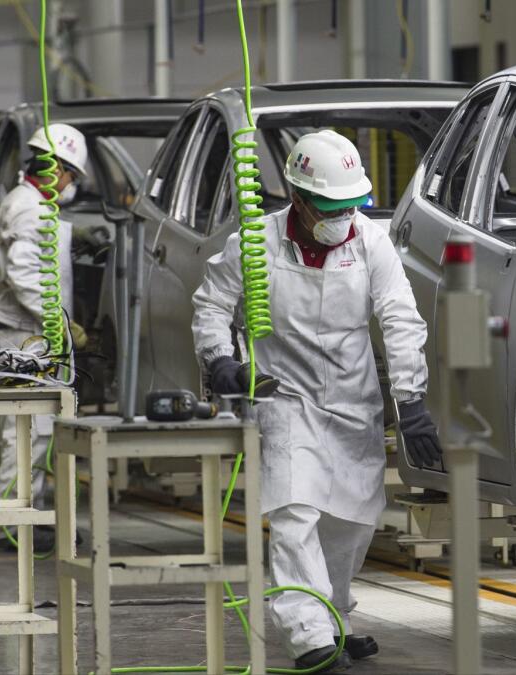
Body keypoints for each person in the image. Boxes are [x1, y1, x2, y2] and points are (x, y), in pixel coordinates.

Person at [192, 130, 443, 673]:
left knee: (351, 520)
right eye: (331, 207)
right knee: (294, 513)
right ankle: (307, 635)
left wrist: (411, 399)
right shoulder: (255, 241)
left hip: (354, 400)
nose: (343, 216)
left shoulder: (370, 241)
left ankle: (334, 619)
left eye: (352, 205)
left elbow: (400, 318)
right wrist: (221, 362)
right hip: (283, 397)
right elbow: (212, 303)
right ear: (298, 200)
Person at [0, 123, 88, 551]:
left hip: (36, 334)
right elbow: (25, 276)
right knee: (25, 427)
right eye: (71, 176)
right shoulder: (29, 208)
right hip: (27, 335)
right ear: (57, 169)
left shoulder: (34, 204)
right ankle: (6, 521)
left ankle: (26, 515)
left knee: (40, 429)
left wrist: (72, 237)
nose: (71, 185)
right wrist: (63, 325)